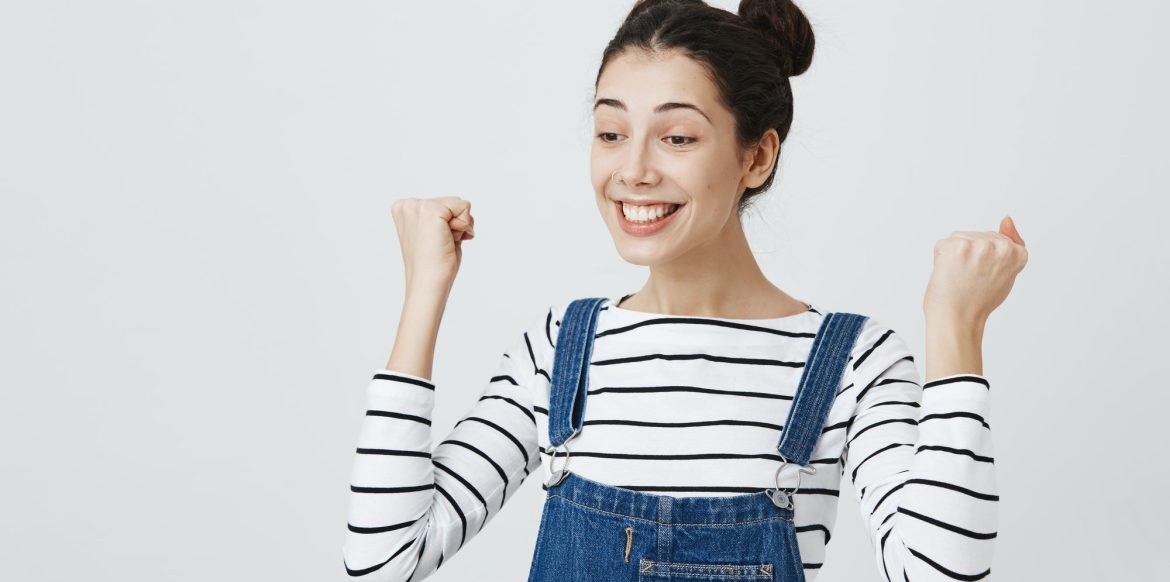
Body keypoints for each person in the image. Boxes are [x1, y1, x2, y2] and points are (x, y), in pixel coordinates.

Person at [342, 0, 1028, 580]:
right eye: (611, 132)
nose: (633, 169)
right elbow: (385, 560)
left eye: (676, 136)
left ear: (755, 157)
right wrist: (424, 293)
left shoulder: (854, 361)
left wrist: (955, 327)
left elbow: (940, 572)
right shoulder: (560, 350)